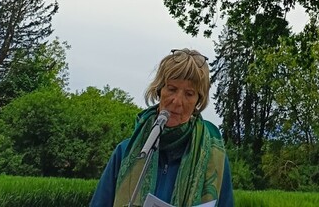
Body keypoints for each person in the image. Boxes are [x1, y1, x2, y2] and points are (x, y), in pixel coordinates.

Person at [90, 48, 234, 207]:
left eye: (189, 94)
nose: (177, 101)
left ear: (198, 101)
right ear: (159, 90)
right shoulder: (124, 152)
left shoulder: (215, 159)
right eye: (172, 89)